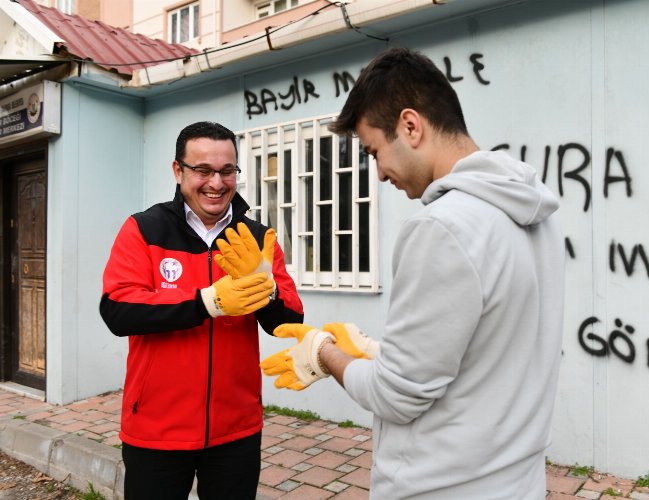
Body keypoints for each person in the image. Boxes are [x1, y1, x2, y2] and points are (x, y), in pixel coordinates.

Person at [260, 47, 565, 499]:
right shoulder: (534, 216)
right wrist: (378, 352)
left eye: (374, 151)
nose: (380, 173)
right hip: (515, 482)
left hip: (441, 486)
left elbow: (396, 397)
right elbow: (484, 350)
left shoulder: (442, 226)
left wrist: (326, 354)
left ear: (410, 125)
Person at [100, 121, 303, 499]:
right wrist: (206, 302)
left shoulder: (257, 238)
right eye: (203, 171)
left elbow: (288, 323)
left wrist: (267, 289)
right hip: (156, 429)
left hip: (236, 429)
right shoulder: (144, 229)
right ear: (178, 171)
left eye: (227, 171)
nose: (216, 182)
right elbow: (118, 310)